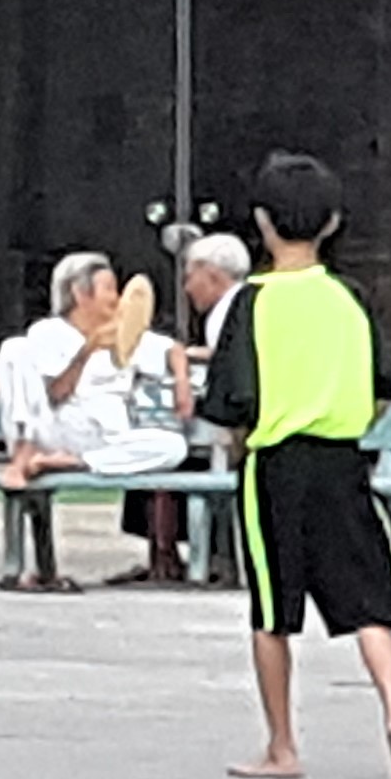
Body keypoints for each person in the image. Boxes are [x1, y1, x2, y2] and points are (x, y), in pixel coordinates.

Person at [199, 152, 391, 779]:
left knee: (272, 609)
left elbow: (232, 402)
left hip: (275, 465)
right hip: (342, 459)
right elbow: (385, 386)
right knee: (368, 598)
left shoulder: (252, 302)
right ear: (331, 223)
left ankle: (282, 745)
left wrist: (241, 443)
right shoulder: (348, 298)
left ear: (262, 222)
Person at [113, 231, 253, 586]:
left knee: (164, 445)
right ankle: (174, 555)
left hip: (239, 428)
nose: (187, 288)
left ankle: (172, 555)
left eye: (191, 277)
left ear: (212, 274)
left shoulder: (231, 311)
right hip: (233, 424)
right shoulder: (236, 307)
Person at [0, 251, 136, 503]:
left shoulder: (126, 337)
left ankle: (45, 461)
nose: (116, 299)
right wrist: (87, 352)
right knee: (14, 348)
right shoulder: (49, 333)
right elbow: (56, 394)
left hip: (106, 440)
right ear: (80, 294)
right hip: (56, 430)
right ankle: (24, 455)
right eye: (109, 289)